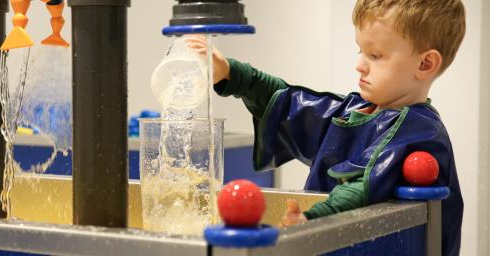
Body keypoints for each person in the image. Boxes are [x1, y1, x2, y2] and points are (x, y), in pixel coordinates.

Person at [186, 0, 465, 255]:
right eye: (361, 51)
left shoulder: (421, 132)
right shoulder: (353, 112)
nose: (359, 65)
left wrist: (313, 219)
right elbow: (289, 102)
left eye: (376, 55)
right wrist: (233, 75)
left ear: (425, 63)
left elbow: (364, 185)